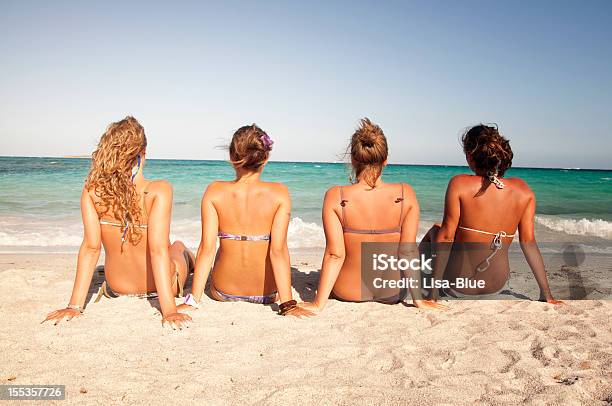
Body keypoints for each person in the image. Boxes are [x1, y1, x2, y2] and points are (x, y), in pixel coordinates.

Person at [43, 116, 194, 328]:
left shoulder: (91, 191)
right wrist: (169, 311)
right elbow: (157, 251)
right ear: (143, 153)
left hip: (117, 288)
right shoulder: (159, 190)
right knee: (176, 247)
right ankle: (188, 255)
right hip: (158, 286)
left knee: (167, 247)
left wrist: (74, 306)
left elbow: (90, 248)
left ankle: (182, 252)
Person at [300, 118, 446, 313]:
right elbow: (408, 252)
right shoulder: (405, 193)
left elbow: (335, 254)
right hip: (392, 292)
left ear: (353, 159)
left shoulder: (336, 196)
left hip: (348, 291)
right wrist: (418, 300)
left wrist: (318, 303)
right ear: (385, 160)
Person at [179, 124, 312, 317]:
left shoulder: (214, 191)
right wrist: (288, 305)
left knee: (215, 250)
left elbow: (206, 248)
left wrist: (193, 300)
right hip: (267, 294)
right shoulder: (280, 193)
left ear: (232, 158)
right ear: (265, 158)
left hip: (223, 291)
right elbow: (278, 251)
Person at [423, 124, 563, 303]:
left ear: (469, 156)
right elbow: (528, 243)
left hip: (458, 288)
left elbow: (447, 237)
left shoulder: (459, 184)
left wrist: (433, 295)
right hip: (497, 287)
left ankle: (424, 285)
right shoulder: (524, 191)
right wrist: (547, 294)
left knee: (436, 231)